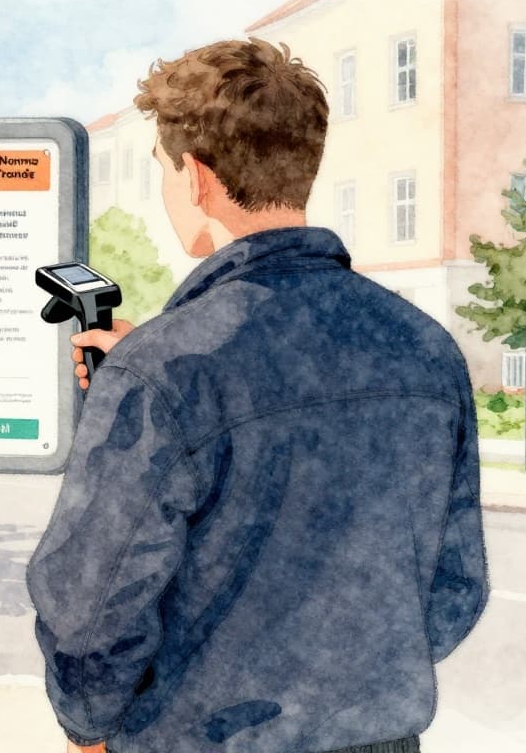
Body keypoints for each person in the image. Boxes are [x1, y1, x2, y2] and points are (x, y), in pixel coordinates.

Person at [27, 39, 489, 753]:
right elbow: (455, 585)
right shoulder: (424, 348)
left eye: (163, 173)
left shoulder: (164, 371)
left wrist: (87, 727)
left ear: (198, 177)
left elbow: (92, 605)